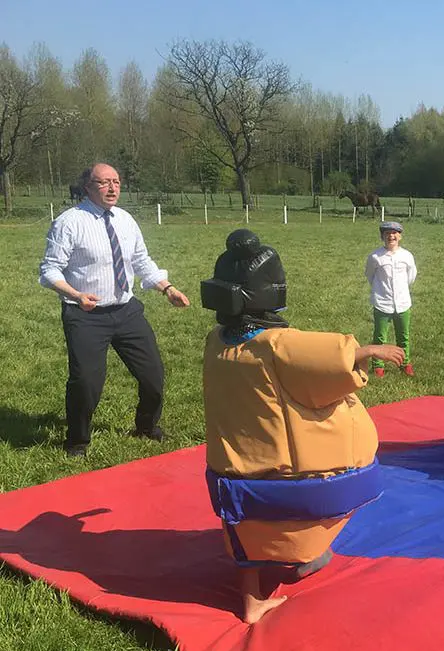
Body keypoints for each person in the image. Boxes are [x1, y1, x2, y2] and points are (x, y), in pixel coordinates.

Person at [202, 229, 404, 623]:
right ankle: (306, 551)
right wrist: (370, 350)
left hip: (232, 480)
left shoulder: (218, 342)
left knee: (244, 534)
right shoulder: (277, 344)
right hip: (295, 485)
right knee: (350, 484)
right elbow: (329, 361)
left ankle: (253, 599)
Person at [38, 163, 190, 457]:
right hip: (85, 315)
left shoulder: (125, 220)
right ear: (88, 187)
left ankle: (146, 427)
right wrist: (76, 294)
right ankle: (77, 441)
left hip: (127, 312)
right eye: (104, 182)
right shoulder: (69, 222)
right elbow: (49, 270)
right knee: (86, 382)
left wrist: (167, 288)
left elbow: (141, 261)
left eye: (116, 182)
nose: (112, 188)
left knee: (153, 376)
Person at [364, 221, 417, 377]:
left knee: (403, 336)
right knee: (380, 336)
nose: (391, 236)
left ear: (400, 236)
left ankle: (405, 362)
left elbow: (411, 276)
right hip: (382, 303)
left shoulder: (407, 256)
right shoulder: (375, 257)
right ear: (382, 237)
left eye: (394, 233)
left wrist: (401, 290)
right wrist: (381, 290)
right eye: (387, 233)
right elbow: (370, 275)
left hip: (402, 303)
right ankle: (378, 365)